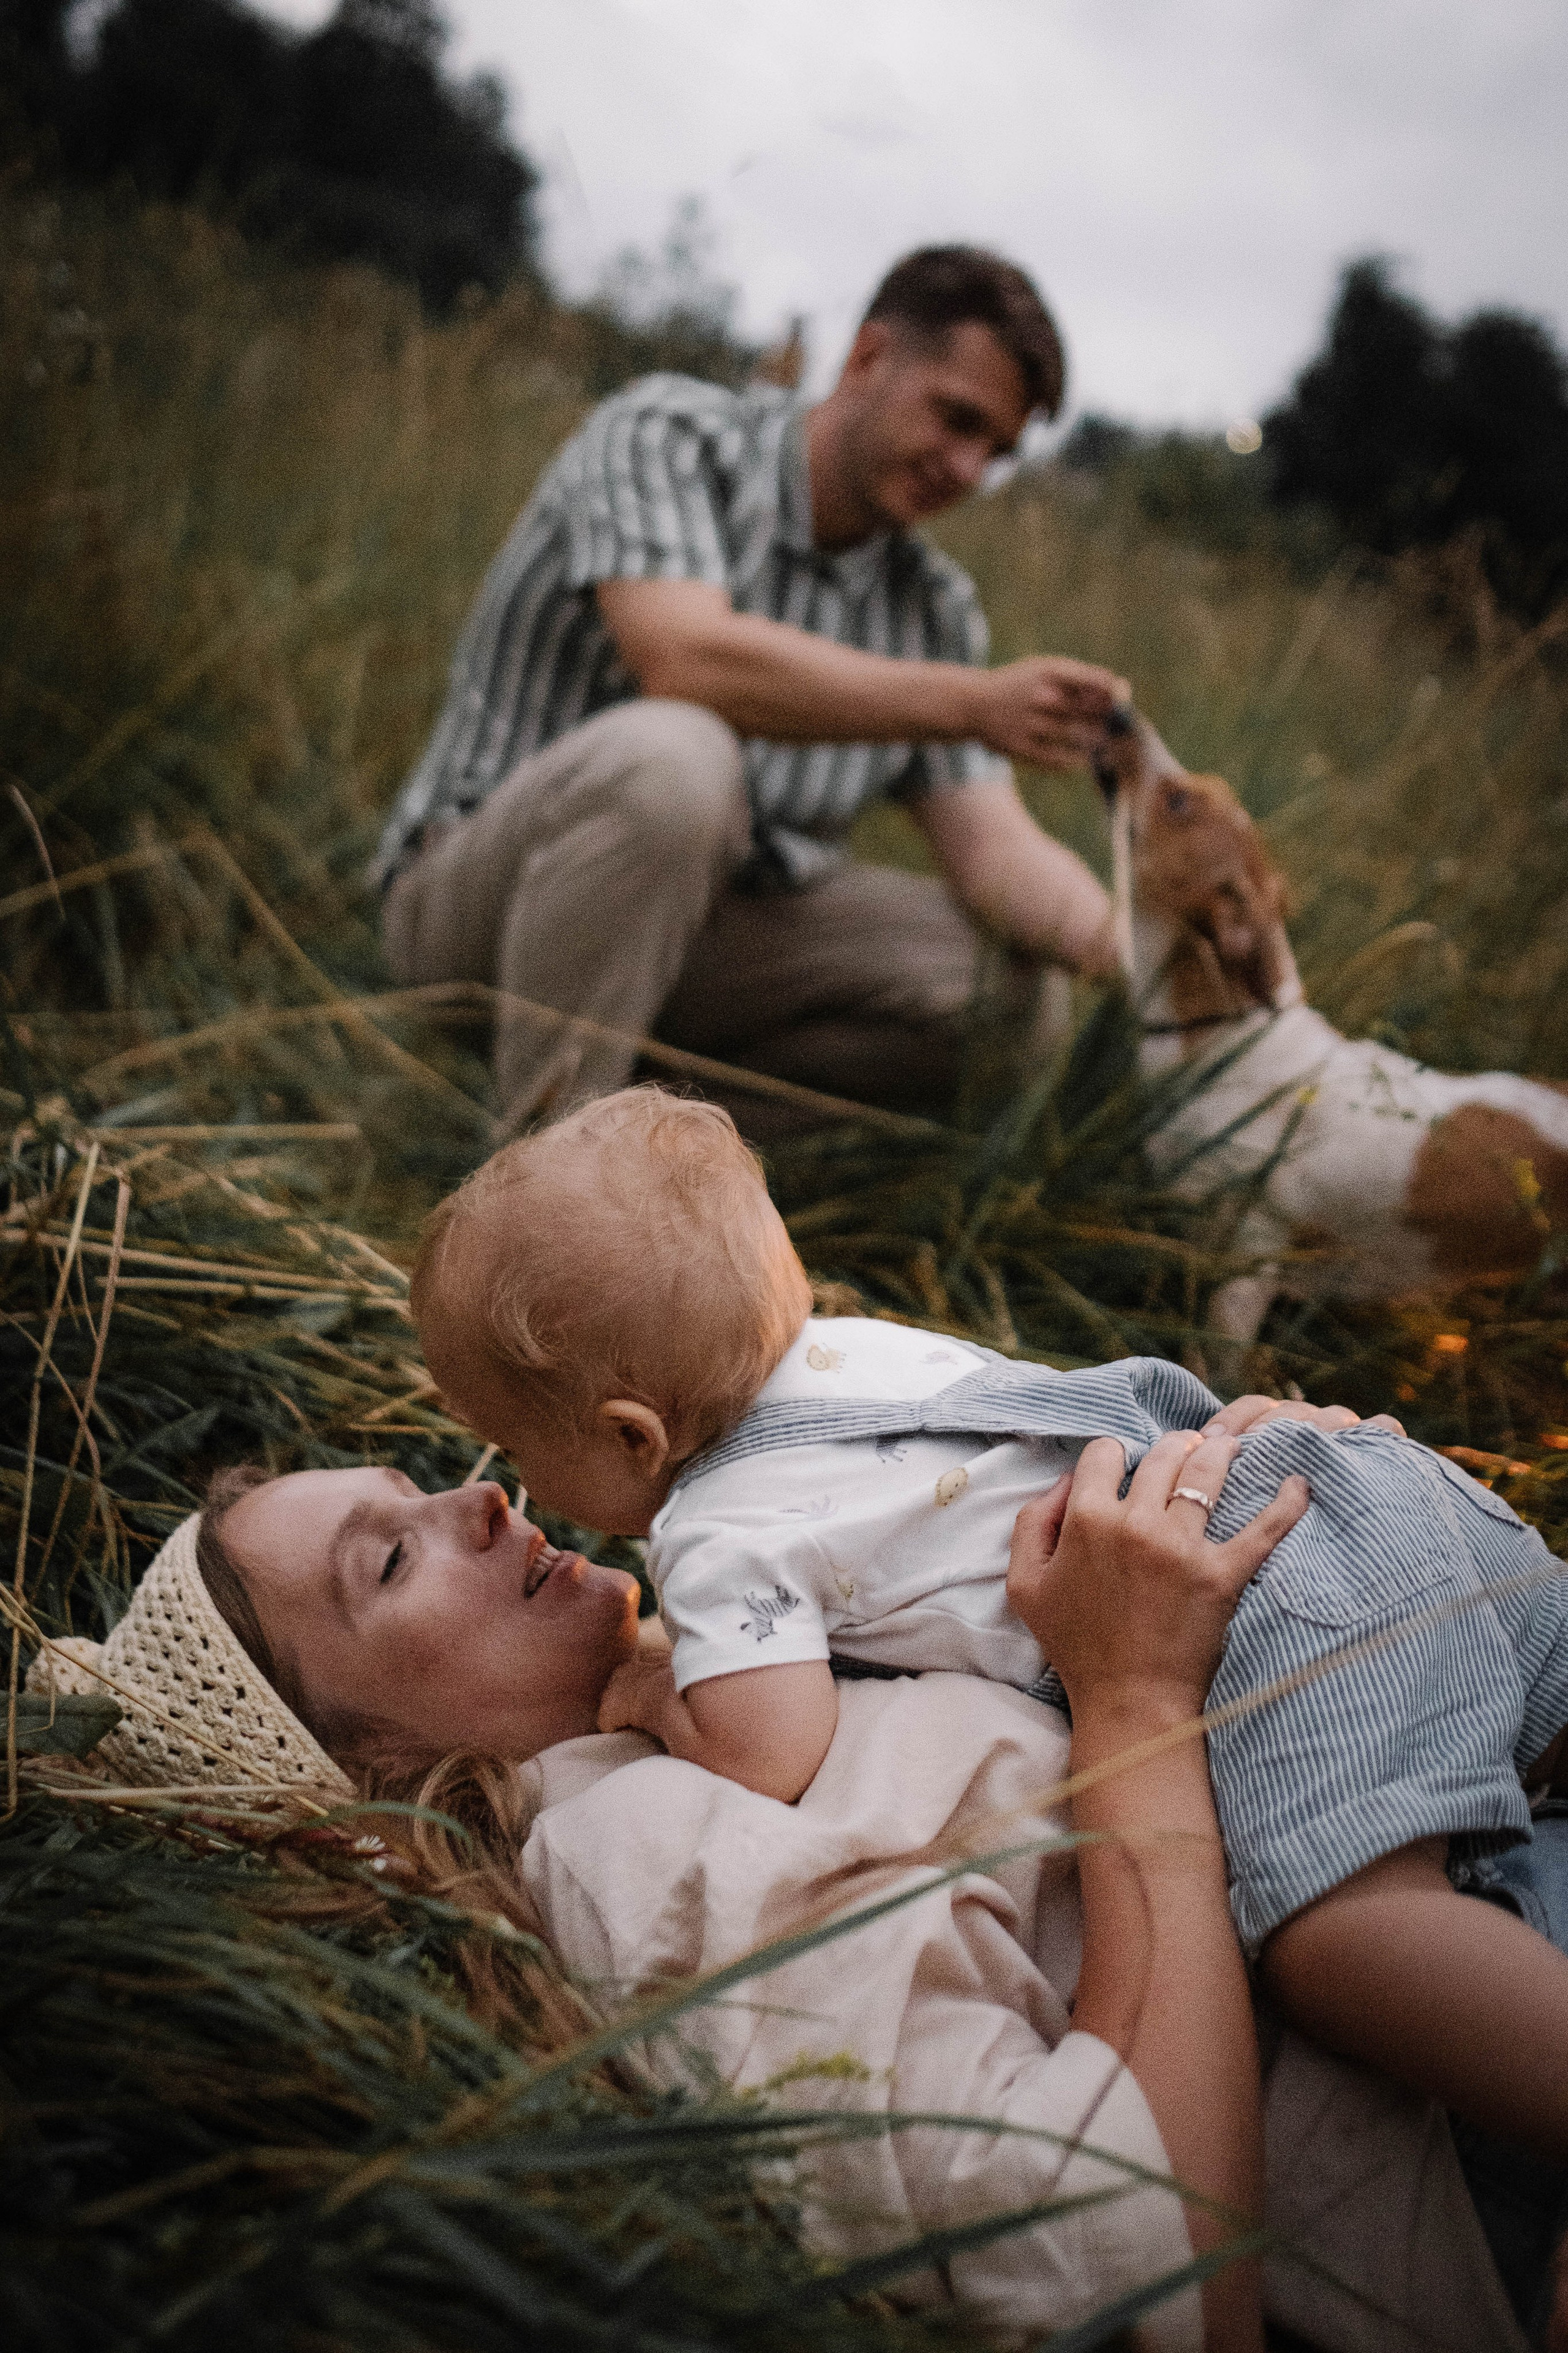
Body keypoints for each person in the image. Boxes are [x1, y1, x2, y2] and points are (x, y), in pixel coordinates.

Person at [31, 1438, 1543, 2352]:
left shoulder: (702, 1703)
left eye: (421, 1485)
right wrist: (1137, 1695)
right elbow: (1155, 2272)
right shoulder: (636, 1866)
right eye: (389, 1557)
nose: (476, 1499)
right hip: (1481, 2117)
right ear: (366, 1801)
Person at [410, 1086, 1568, 2176]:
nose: (513, 1486)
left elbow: (771, 1747)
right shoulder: (856, 1359)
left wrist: (655, 1694)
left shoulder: (718, 1534)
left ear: (631, 1435)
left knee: (1349, 1939)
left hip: (1274, 1609)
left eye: (522, 1446)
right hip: (1338, 1481)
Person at [372, 246, 1126, 1138]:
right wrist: (972, 702)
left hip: (710, 941)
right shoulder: (670, 436)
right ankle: (548, 1183)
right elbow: (684, 660)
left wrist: (1145, 956)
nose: (968, 470)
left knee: (1016, 1001)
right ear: (867, 360)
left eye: (996, 451)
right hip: (479, 905)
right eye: (956, 419)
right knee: (675, 758)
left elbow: (997, 853)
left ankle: (665, 1144)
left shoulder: (933, 610)